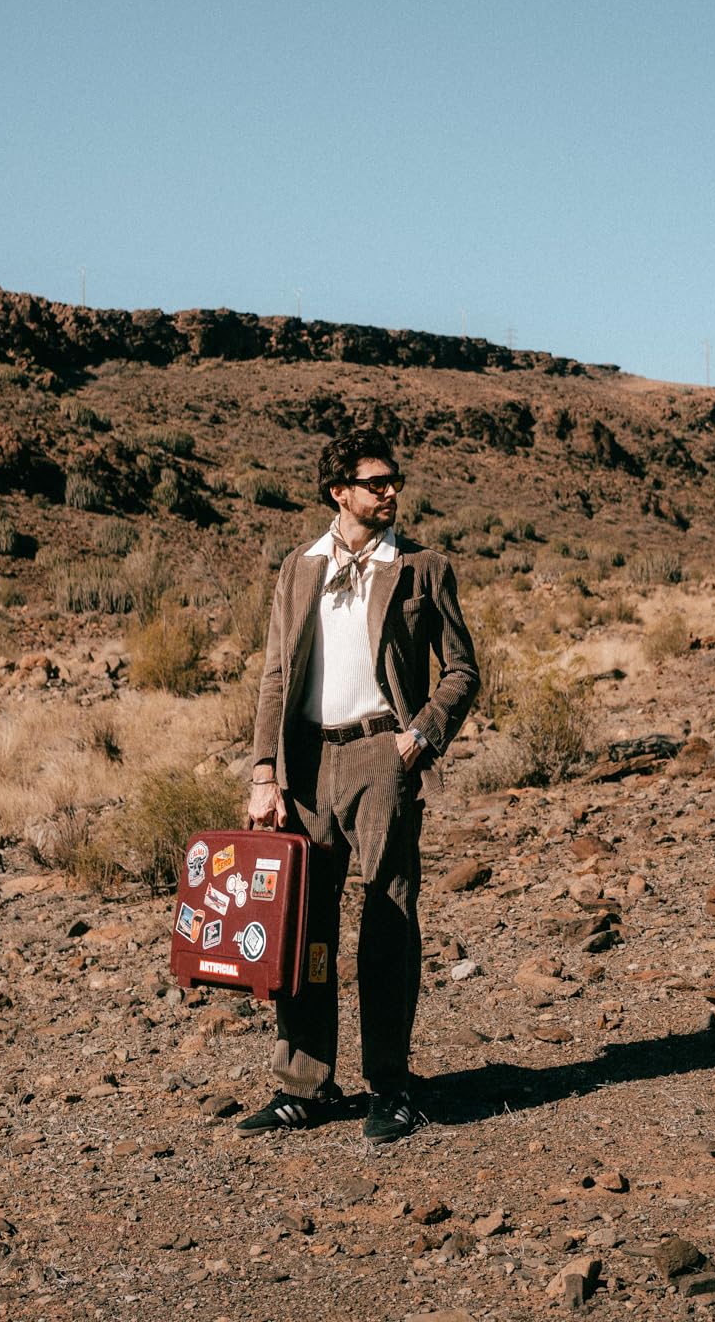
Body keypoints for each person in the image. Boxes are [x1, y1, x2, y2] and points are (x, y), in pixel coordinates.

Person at [236, 428, 480, 1144]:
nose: (390, 492)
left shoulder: (420, 567)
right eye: (375, 482)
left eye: (393, 480)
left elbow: (463, 671)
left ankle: (391, 1088)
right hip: (306, 764)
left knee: (388, 923)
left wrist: (421, 735)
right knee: (303, 928)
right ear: (337, 491)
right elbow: (276, 675)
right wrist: (263, 771)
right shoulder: (299, 568)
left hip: (382, 755)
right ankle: (304, 1086)